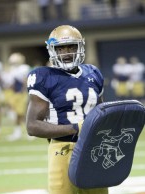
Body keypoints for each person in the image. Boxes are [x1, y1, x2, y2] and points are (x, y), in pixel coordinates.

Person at [26, 25, 107, 194]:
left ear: (80, 47)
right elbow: (32, 126)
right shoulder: (43, 76)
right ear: (52, 50)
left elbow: (101, 114)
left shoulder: (93, 73)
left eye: (71, 46)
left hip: (95, 149)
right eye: (61, 48)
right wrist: (77, 128)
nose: (67, 52)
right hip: (63, 148)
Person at [5, 52, 30, 141]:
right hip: (15, 93)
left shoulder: (24, 68)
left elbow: (25, 81)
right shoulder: (12, 69)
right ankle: (18, 132)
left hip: (22, 93)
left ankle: (29, 132)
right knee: (17, 113)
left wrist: (24, 92)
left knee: (24, 113)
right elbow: (11, 83)